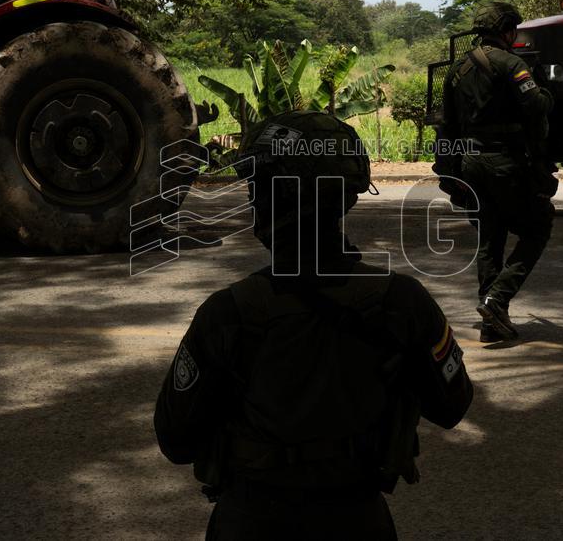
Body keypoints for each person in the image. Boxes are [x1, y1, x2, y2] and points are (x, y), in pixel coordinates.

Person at [155, 110, 473, 540]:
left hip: (250, 523)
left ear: (274, 199)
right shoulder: (402, 302)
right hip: (358, 521)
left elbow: (175, 441)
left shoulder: (227, 313)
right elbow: (452, 406)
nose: (252, 199)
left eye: (258, 187)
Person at [441, 1, 557, 343]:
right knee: (538, 227)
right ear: (506, 29)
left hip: (469, 165)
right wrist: (549, 95)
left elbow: (446, 126)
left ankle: (492, 321)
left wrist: (449, 172)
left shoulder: (457, 69)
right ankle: (497, 299)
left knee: (490, 238)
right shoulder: (512, 64)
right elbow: (536, 106)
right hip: (504, 162)